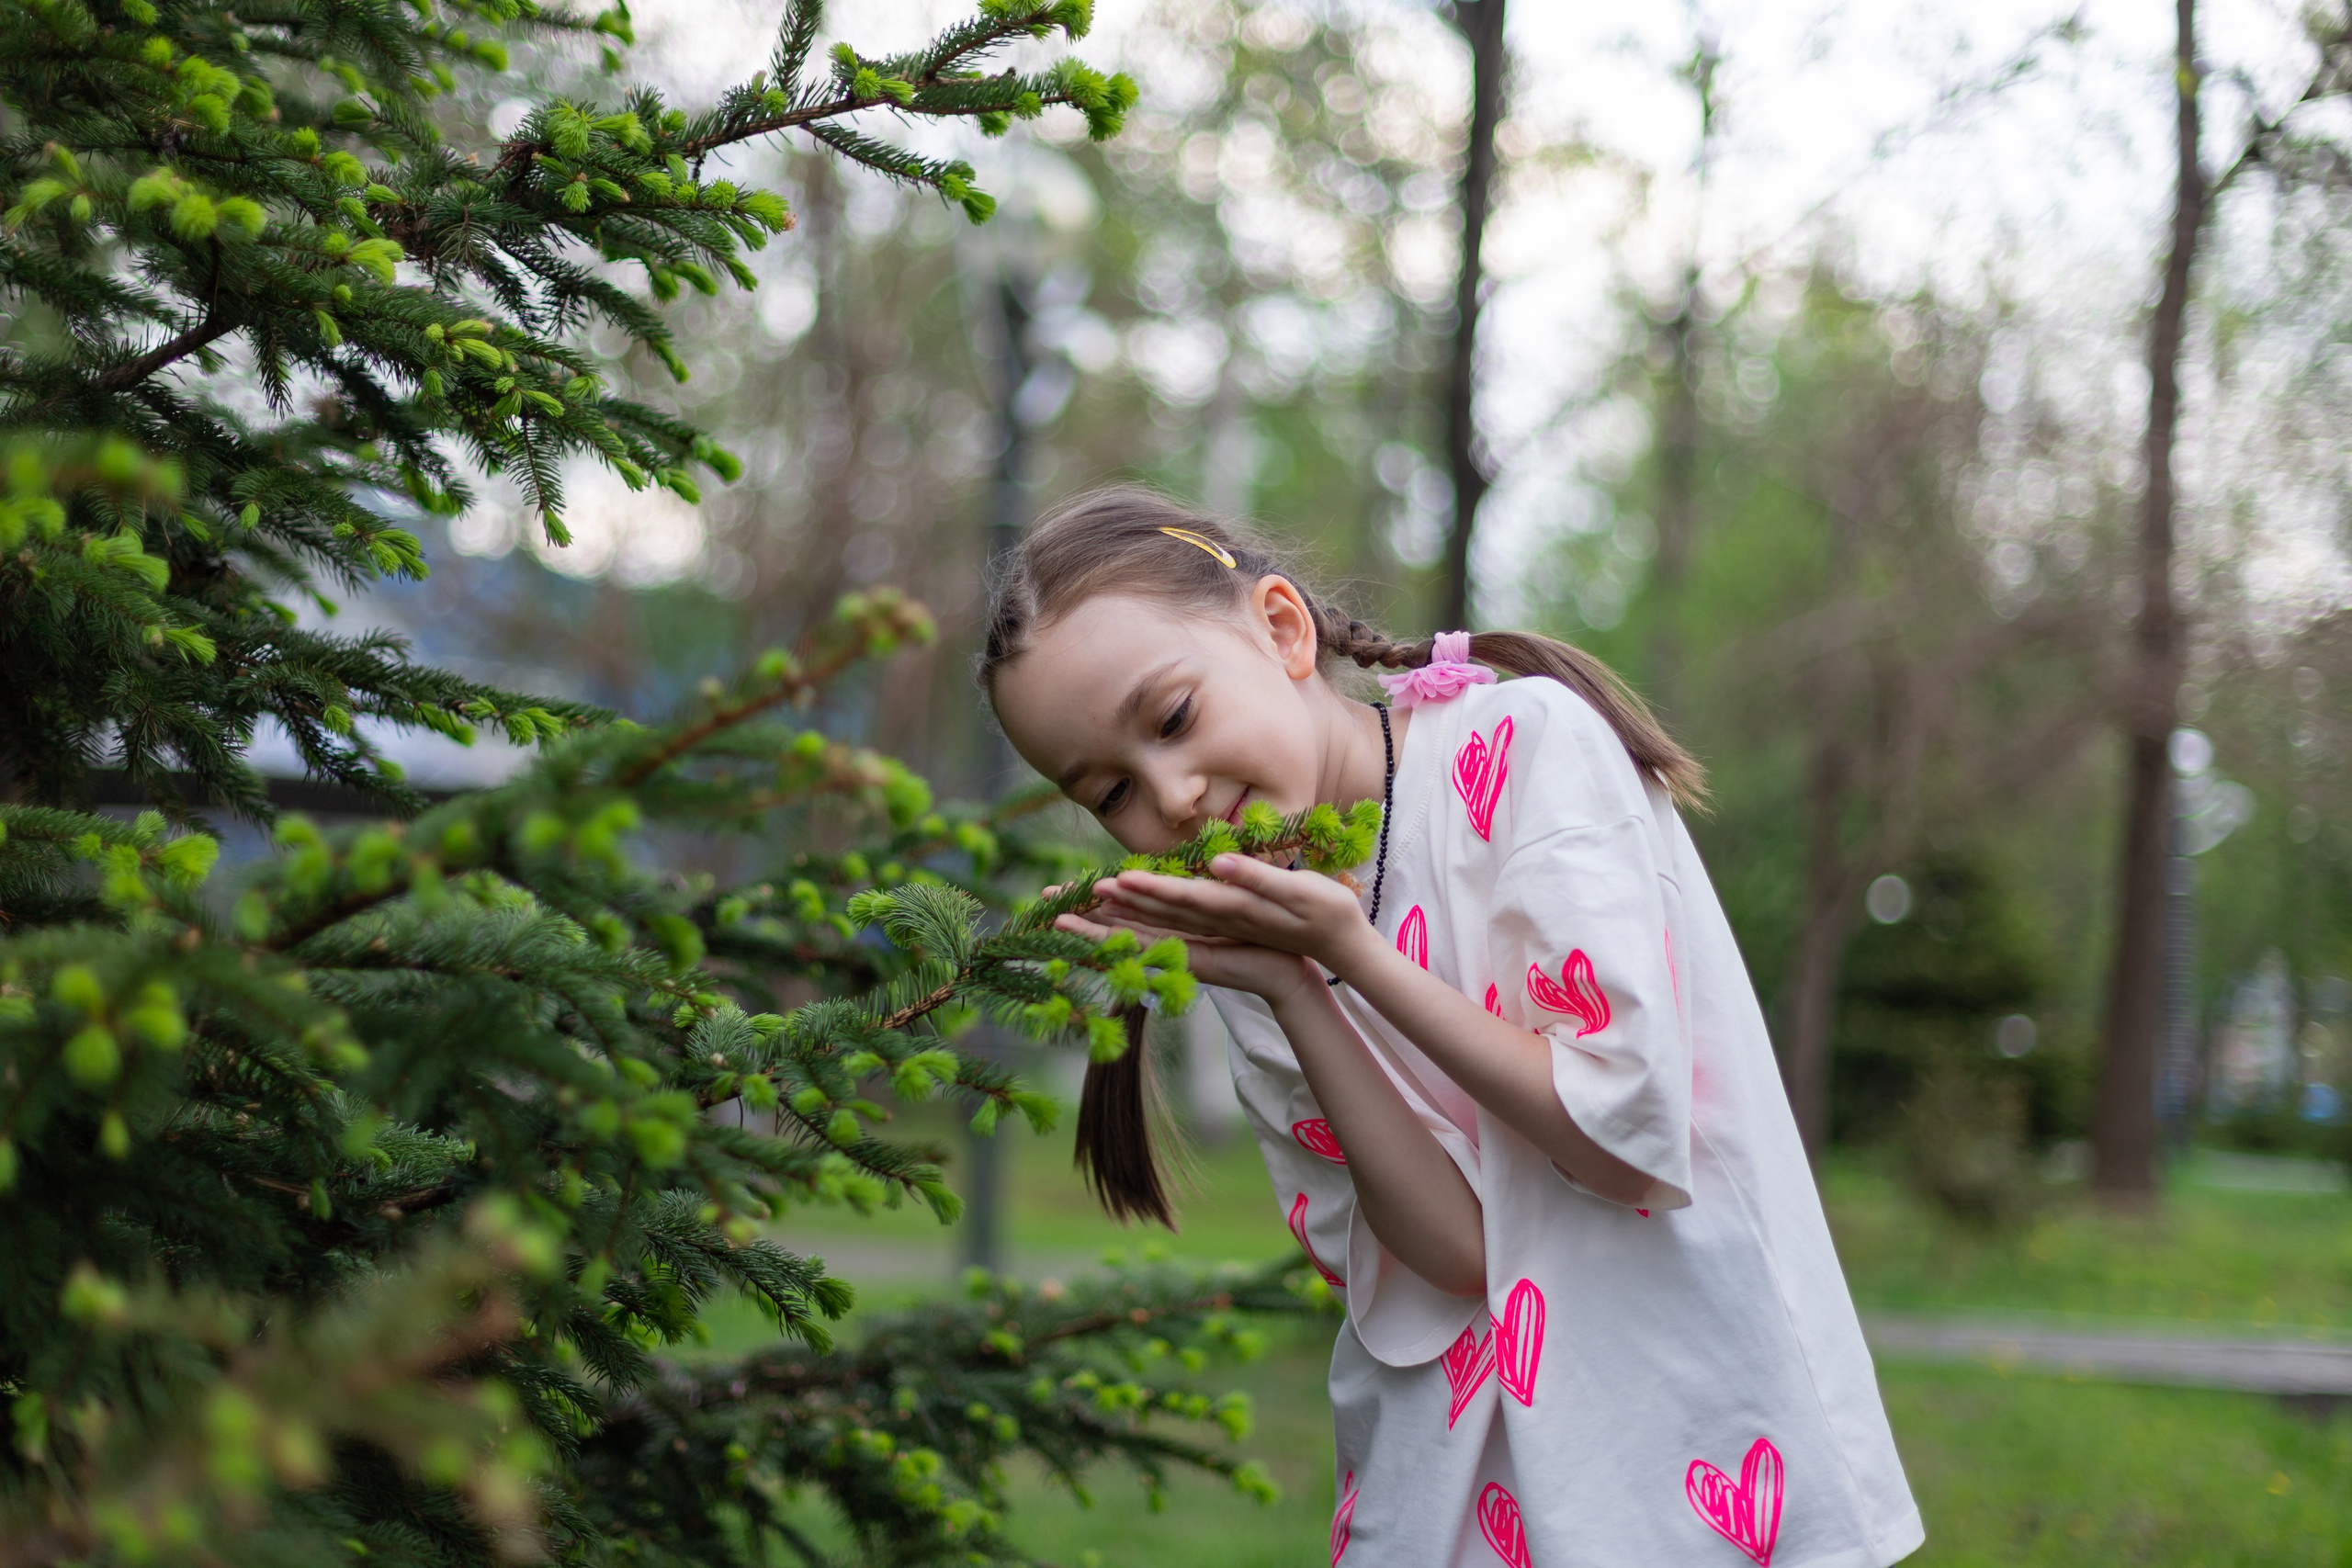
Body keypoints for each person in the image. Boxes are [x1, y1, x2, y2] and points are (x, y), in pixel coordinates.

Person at [979, 486, 1922, 1568]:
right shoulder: (1257, 943)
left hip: (1678, 1462)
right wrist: (1294, 990)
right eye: (1109, 792)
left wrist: (1354, 959)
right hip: (1447, 1504)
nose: (1173, 797)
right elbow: (1453, 1262)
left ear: (1280, 629)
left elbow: (1623, 1136)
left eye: (1173, 719)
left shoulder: (1524, 750)